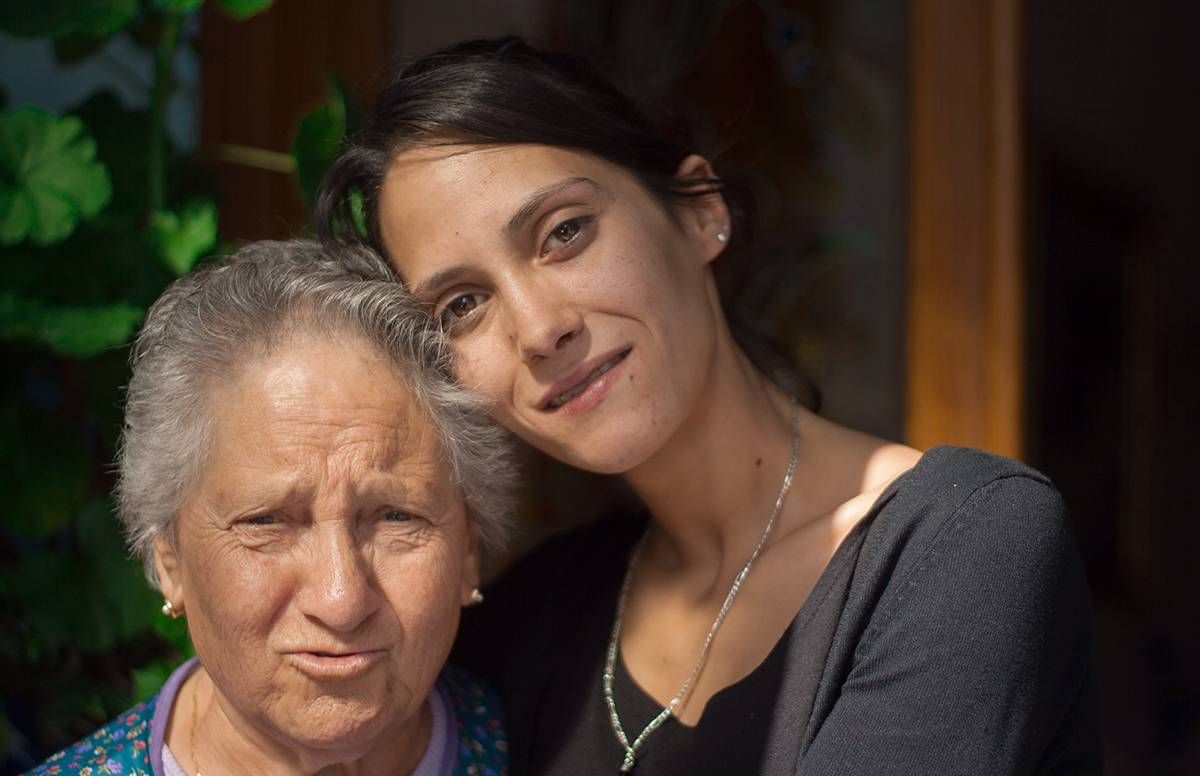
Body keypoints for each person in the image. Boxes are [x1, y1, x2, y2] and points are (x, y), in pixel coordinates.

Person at [317, 37, 1102, 775]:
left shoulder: (965, 542)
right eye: (461, 306)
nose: (539, 330)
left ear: (699, 211)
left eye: (565, 232)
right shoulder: (528, 624)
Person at [29, 240, 512, 776]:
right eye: (266, 522)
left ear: (468, 546)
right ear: (170, 560)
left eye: (397, 516)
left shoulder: (551, 735)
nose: (342, 600)